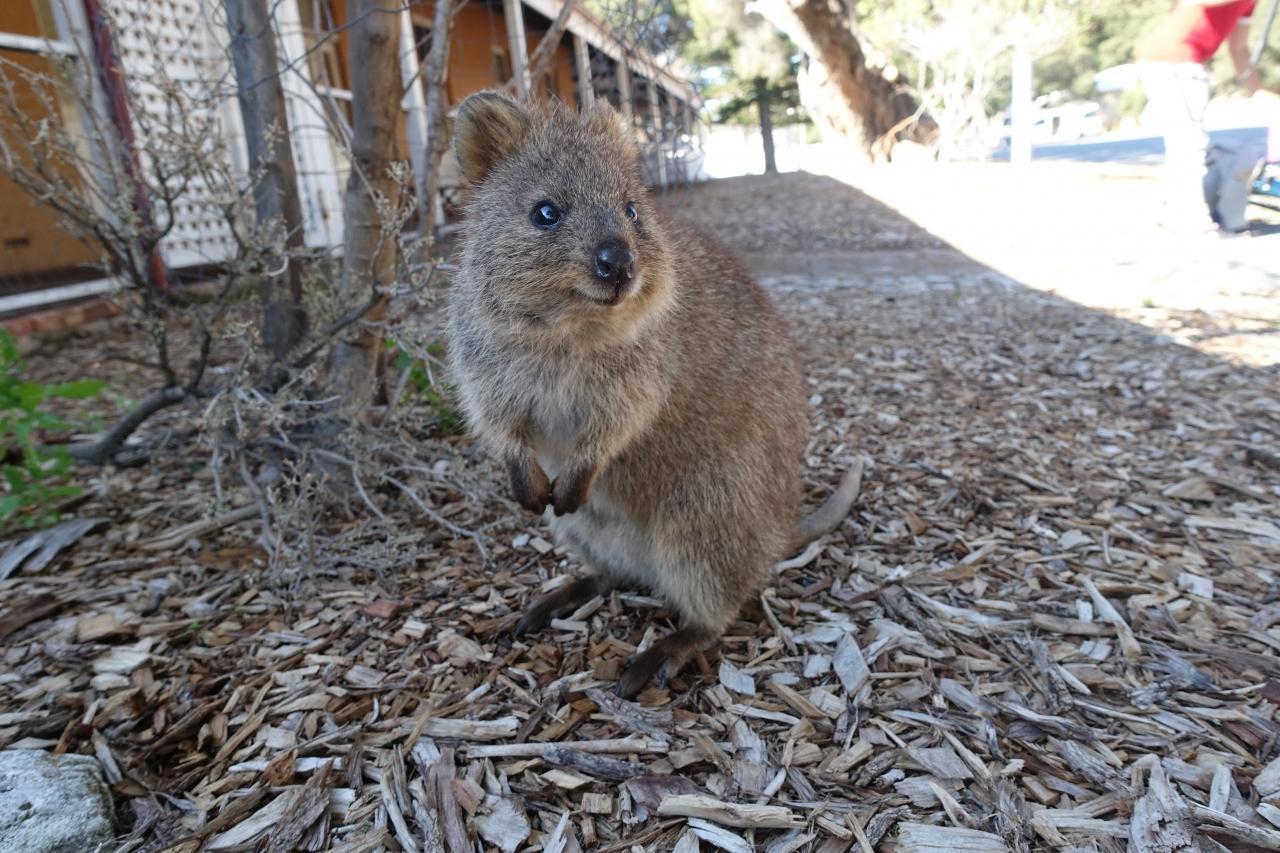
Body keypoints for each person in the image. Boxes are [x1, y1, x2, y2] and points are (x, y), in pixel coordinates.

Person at [1136, 0, 1263, 235]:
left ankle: (1174, 212)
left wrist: (1257, 93)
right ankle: (1192, 220)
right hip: (1170, 61)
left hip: (1183, 63)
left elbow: (1239, 49)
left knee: (1185, 140)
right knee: (1189, 141)